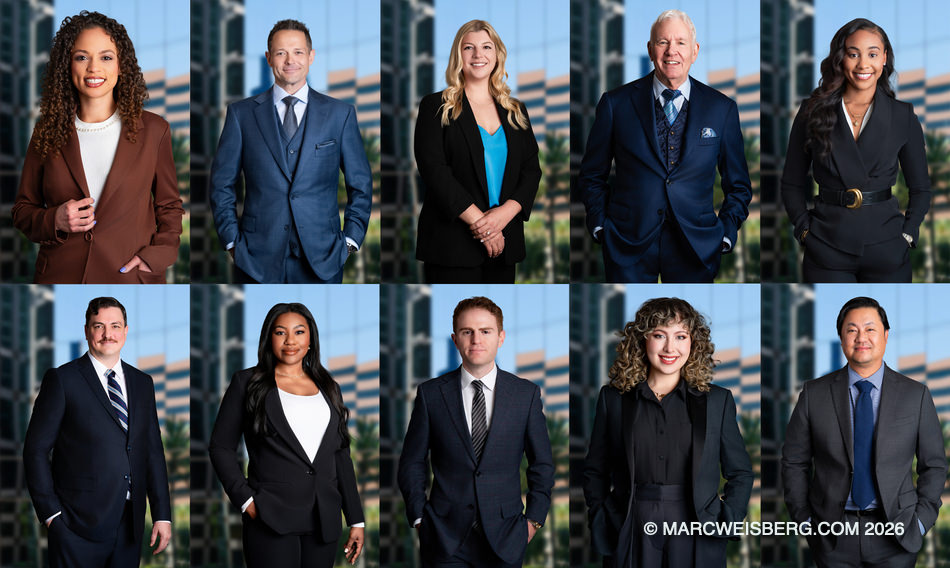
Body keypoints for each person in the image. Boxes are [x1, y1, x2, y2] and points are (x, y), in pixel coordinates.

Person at [579, 10, 752, 283]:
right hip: (627, 242)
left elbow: (739, 185)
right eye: (663, 42)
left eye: (681, 43)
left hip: (697, 245)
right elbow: (591, 175)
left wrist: (726, 232)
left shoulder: (722, 109)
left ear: (695, 51)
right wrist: (601, 225)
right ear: (650, 49)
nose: (672, 51)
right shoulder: (615, 103)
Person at [12, 11, 184, 284]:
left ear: (121, 66)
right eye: (82, 57)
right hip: (62, 276)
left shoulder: (154, 130)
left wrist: (157, 256)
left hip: (130, 277)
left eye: (106, 57)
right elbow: (23, 210)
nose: (94, 68)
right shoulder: (46, 130)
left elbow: (169, 206)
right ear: (67, 66)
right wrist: (54, 219)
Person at [584, 298, 753, 567]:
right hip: (630, 523)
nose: (669, 347)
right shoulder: (613, 399)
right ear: (642, 340)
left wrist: (726, 519)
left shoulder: (717, 401)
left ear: (693, 343)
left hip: (698, 525)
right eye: (659, 335)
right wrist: (602, 514)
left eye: (680, 336)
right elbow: (595, 469)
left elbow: (740, 472)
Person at [782, 297, 946, 567]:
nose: (861, 337)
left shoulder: (915, 395)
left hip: (896, 534)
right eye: (852, 330)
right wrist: (805, 521)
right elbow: (794, 461)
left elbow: (935, 465)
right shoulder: (814, 393)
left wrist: (919, 522)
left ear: (885, 335)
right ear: (841, 337)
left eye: (870, 329)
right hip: (833, 536)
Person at [210, 19, 372, 284]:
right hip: (255, 258)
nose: (290, 60)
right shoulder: (241, 115)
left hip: (325, 257)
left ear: (311, 56)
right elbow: (221, 184)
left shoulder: (340, 115)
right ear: (268, 57)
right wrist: (232, 242)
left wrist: (350, 241)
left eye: (298, 52)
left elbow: (361, 184)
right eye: (280, 52)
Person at [398, 296, 554, 566]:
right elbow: (412, 461)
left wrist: (534, 521)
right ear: (455, 338)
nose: (476, 340)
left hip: (507, 536)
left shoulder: (526, 394)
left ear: (501, 337)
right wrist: (420, 518)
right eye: (466, 332)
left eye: (485, 331)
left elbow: (542, 463)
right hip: (444, 538)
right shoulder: (430, 394)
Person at [209, 303, 364, 567]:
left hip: (323, 520)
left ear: (311, 339)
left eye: (299, 332)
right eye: (280, 332)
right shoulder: (246, 382)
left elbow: (340, 455)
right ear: (269, 338)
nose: (290, 341)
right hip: (270, 517)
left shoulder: (330, 387)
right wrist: (247, 501)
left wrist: (356, 519)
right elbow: (220, 447)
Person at [23, 297, 172, 567]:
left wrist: (162, 514)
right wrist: (51, 515)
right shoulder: (62, 379)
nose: (107, 334)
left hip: (130, 524)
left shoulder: (143, 383)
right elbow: (36, 450)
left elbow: (152, 451)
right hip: (76, 525)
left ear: (126, 330)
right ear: (87, 330)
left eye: (115, 326)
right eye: (98, 326)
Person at [781, 19, 930, 283]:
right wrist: (804, 231)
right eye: (853, 54)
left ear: (884, 58)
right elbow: (791, 184)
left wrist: (907, 234)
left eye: (872, 54)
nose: (863, 64)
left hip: (888, 247)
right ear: (841, 59)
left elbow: (921, 189)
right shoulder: (812, 111)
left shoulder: (903, 116)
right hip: (826, 247)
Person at [414, 20, 541, 283]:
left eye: (486, 47)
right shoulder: (436, 106)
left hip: (505, 242)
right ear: (457, 56)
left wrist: (503, 215)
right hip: (452, 245)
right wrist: (484, 227)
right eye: (468, 47)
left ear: (497, 55)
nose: (478, 55)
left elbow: (531, 171)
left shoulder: (515, 110)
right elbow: (434, 171)